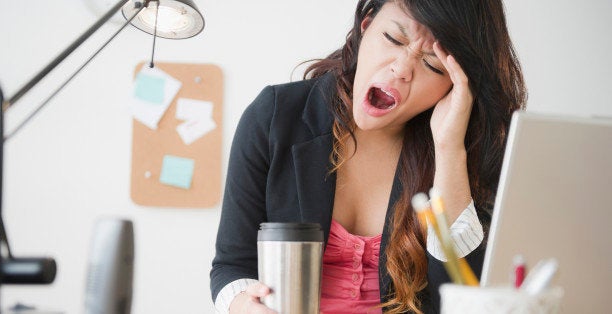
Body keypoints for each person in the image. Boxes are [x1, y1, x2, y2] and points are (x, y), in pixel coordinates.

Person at [211, 0, 526, 312]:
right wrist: (246, 306)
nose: (401, 69)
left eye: (433, 64)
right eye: (394, 39)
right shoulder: (274, 117)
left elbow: (461, 294)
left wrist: (449, 149)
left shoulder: (469, 150)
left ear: (457, 85)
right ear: (366, 26)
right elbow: (231, 267)